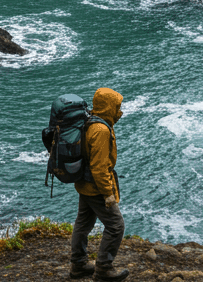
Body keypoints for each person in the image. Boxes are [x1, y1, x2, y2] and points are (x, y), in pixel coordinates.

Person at [70, 87, 127, 281]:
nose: (120, 112)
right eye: (117, 107)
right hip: (96, 188)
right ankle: (103, 269)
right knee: (116, 226)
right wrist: (108, 194)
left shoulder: (90, 122)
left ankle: (78, 265)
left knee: (83, 223)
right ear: (108, 107)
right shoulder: (101, 130)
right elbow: (99, 169)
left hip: (84, 184)